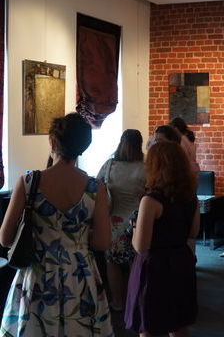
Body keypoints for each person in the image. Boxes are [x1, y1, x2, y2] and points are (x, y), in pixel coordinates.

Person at [0, 113, 113, 336]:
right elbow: (102, 242)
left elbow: (4, 238)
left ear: (53, 142)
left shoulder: (29, 182)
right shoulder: (95, 188)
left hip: (39, 272)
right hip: (80, 274)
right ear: (83, 146)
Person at [125, 141, 200, 337]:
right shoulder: (191, 198)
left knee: (148, 324)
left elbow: (140, 246)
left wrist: (134, 227)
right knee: (178, 322)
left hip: (154, 267)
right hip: (181, 261)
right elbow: (193, 233)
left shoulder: (150, 201)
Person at [97, 129, 146, 311]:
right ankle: (134, 302)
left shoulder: (109, 165)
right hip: (138, 222)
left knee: (112, 263)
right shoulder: (145, 167)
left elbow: (96, 186)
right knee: (135, 263)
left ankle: (118, 301)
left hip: (114, 221)